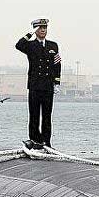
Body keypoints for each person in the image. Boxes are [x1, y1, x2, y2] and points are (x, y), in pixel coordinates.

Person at [15, 18, 61, 148]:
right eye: (40, 28)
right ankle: (35, 140)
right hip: (35, 86)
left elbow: (57, 64)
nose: (43, 30)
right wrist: (30, 33)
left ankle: (46, 142)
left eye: (44, 28)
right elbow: (18, 45)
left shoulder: (53, 45)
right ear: (36, 30)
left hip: (48, 86)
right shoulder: (30, 45)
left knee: (47, 116)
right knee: (34, 115)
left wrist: (57, 82)